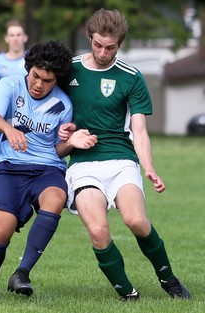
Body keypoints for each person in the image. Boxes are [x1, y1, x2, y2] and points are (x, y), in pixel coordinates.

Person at [59, 8, 191, 301]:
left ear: (120, 44)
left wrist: (149, 168)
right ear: (89, 38)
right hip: (83, 164)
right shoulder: (68, 69)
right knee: (98, 230)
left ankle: (169, 280)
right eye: (97, 45)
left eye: (110, 47)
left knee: (137, 222)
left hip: (121, 160)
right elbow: (42, 97)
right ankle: (127, 294)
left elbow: (140, 130)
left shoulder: (131, 77)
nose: (103, 52)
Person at [0, 40, 97, 298]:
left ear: (56, 80)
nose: (38, 84)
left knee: (55, 199)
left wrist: (71, 143)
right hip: (10, 169)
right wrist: (9, 130)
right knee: (1, 229)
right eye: (35, 76)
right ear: (28, 68)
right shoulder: (9, 85)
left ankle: (22, 273)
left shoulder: (63, 104)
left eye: (47, 80)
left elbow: (56, 149)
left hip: (48, 170)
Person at [0, 19, 28, 107]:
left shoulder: (33, 59)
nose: (15, 39)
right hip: (5, 111)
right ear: (6, 38)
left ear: (25, 37)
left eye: (18, 35)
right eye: (12, 35)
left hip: (28, 113)